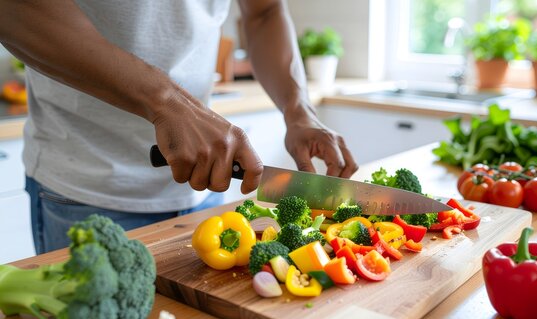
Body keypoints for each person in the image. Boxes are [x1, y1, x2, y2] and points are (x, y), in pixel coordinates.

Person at [0, 0, 358, 254]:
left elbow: (264, 12)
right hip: (86, 190)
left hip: (206, 190)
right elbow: (15, 10)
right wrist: (166, 103)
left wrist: (299, 109)